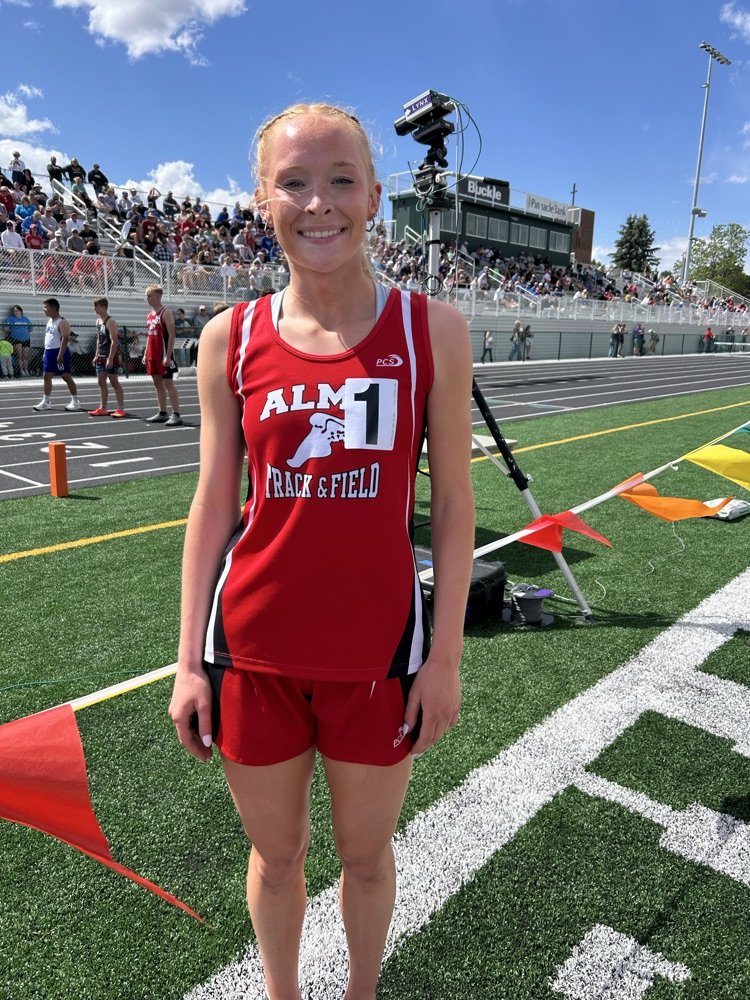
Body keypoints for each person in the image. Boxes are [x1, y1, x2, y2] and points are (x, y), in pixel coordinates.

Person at [168, 102, 474, 1000]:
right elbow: (213, 504)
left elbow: (454, 505)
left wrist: (445, 655)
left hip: (377, 655)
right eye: (294, 183)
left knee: (365, 856)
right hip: (250, 652)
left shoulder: (434, 333)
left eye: (340, 179)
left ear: (376, 195)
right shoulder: (231, 339)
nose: (319, 203)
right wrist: (189, 661)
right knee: (278, 854)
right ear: (263, 200)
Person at [32, 298, 83, 411]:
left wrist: (60, 355)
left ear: (53, 308)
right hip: (49, 352)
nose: (44, 309)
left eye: (46, 307)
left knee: (66, 376)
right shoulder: (50, 321)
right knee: (46, 376)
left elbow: (65, 338)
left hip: (59, 351)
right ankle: (46, 401)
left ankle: (75, 401)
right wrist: (45, 352)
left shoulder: (62, 322)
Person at [143, 285, 182, 425]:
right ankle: (162, 412)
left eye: (149, 296)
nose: (147, 298)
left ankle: (176, 414)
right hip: (152, 354)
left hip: (163, 354)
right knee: (157, 383)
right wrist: (146, 353)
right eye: (147, 296)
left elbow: (172, 334)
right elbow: (149, 335)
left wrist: (169, 355)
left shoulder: (166, 313)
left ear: (158, 297)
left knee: (168, 383)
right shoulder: (149, 315)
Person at [88, 297, 126, 418]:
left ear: (103, 307)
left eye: (97, 306)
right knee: (101, 382)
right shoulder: (98, 322)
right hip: (101, 356)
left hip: (110, 356)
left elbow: (114, 341)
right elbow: (99, 339)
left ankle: (121, 408)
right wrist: (96, 355)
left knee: (114, 382)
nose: (95, 309)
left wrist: (110, 358)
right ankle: (103, 408)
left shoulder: (111, 322)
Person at [4, 304, 32, 376]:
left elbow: (30, 328)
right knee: (19, 356)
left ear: (21, 311)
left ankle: (26, 370)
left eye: (17, 311)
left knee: (25, 356)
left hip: (26, 339)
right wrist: (10, 330)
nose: (15, 312)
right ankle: (21, 370)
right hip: (16, 339)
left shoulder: (25, 319)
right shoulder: (10, 319)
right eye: (14, 311)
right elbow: (5, 328)